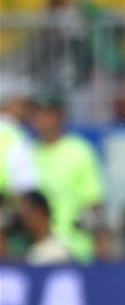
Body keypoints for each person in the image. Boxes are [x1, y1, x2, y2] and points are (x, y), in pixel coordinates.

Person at [30, 94, 105, 262]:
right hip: (36, 243)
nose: (40, 119)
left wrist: (101, 247)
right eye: (37, 113)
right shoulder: (29, 154)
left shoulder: (79, 152)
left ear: (59, 116)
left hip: (73, 245)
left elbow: (94, 202)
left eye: (46, 113)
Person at [19, 190, 71, 265]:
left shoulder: (57, 252)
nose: (22, 217)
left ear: (39, 213)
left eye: (26, 211)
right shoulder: (23, 247)